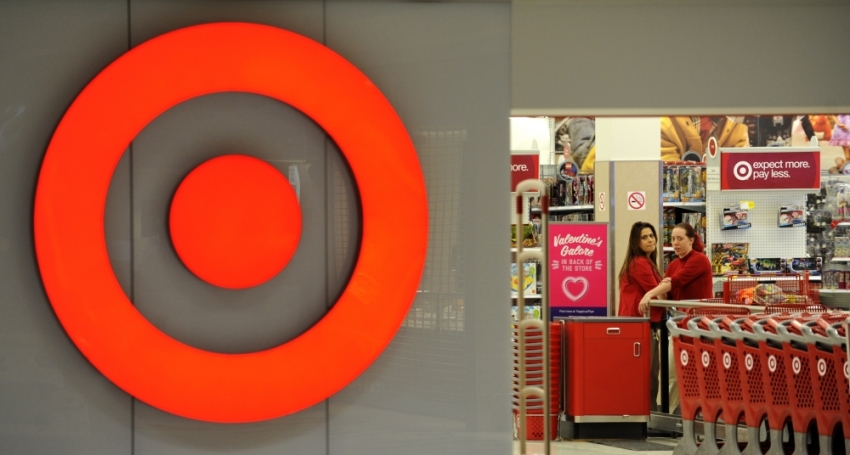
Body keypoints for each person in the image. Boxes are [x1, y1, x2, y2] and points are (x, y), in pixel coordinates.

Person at [638, 222, 713, 414]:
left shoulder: (700, 259)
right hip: (680, 325)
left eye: (680, 239)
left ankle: (686, 416)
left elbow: (675, 281)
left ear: (691, 239)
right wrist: (661, 286)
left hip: (700, 326)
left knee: (696, 375)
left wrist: (649, 293)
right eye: (673, 239)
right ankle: (673, 415)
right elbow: (668, 293)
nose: (676, 243)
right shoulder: (673, 264)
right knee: (672, 372)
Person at [618, 221, 665, 411]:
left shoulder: (645, 262)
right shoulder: (640, 263)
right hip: (639, 325)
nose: (650, 240)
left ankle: (648, 412)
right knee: (646, 373)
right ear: (636, 243)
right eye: (644, 237)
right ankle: (645, 413)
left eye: (651, 236)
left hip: (641, 324)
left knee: (651, 372)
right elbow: (660, 294)